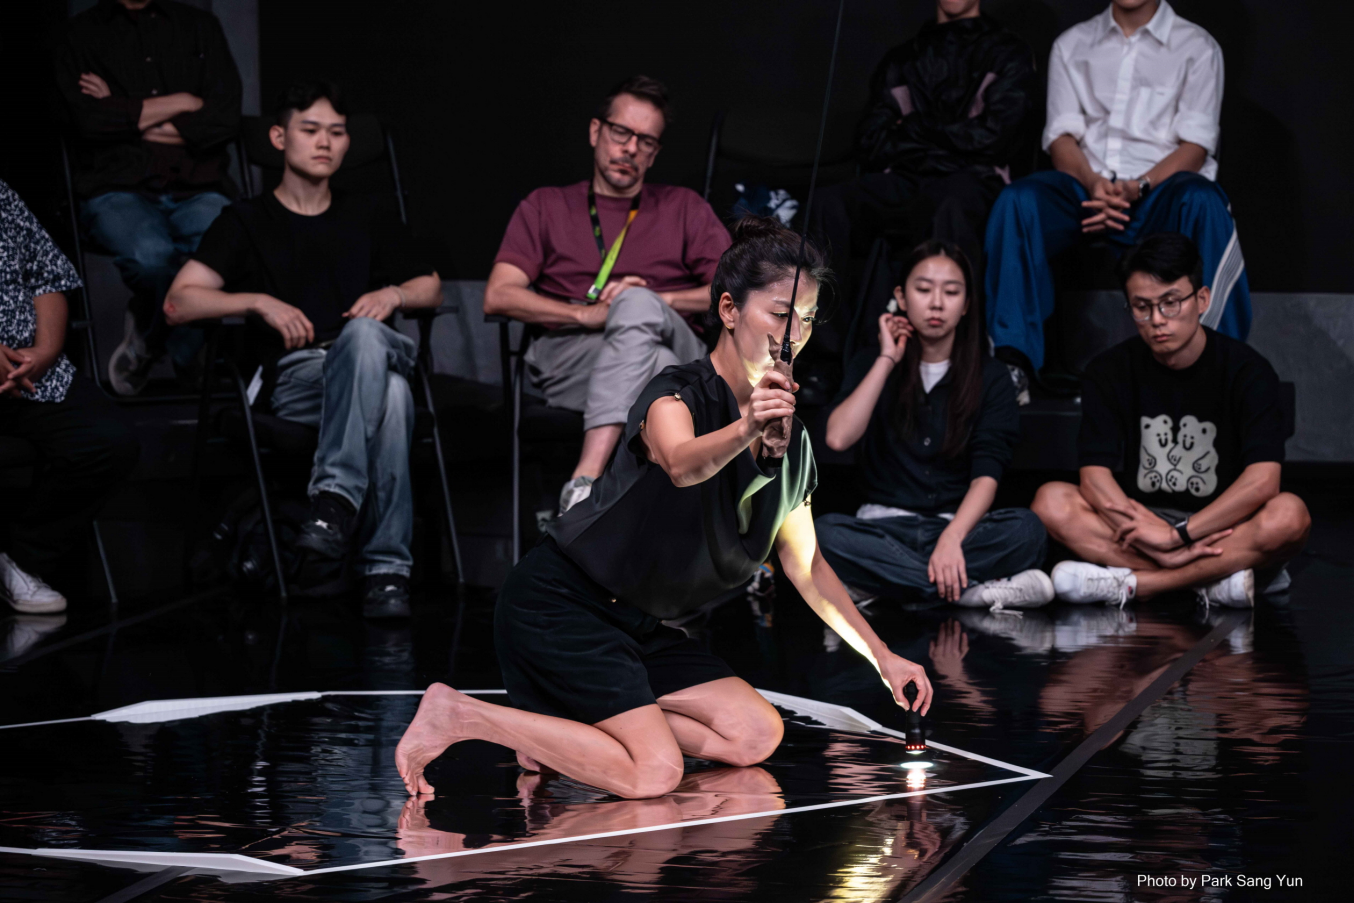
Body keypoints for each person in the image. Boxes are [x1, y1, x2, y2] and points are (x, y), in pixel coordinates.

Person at [395, 218, 933, 799]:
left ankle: (558, 731)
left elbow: (806, 566)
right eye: (781, 314)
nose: (794, 335)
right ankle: (461, 715)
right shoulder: (674, 395)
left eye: (807, 318)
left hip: (637, 627)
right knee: (654, 772)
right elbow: (681, 463)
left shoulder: (792, 441)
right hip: (561, 609)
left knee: (756, 734)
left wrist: (883, 658)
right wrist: (746, 427)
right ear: (729, 310)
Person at [164, 81, 441, 619]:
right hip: (298, 380)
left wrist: (394, 294)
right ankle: (386, 572)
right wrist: (257, 301)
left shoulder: (369, 213)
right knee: (394, 396)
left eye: (336, 132)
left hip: (369, 352)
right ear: (278, 137)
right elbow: (179, 303)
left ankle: (332, 503)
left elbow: (430, 287)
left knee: (364, 337)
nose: (325, 142)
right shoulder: (245, 220)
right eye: (310, 130)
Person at [484, 75, 732, 515]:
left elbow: (736, 294)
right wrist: (586, 315)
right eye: (621, 133)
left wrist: (657, 302)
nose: (631, 148)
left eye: (646, 141)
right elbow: (499, 296)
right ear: (596, 131)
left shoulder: (684, 207)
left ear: (654, 152)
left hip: (676, 343)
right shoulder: (546, 205)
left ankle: (584, 481)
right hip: (574, 358)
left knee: (639, 307)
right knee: (658, 372)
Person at [984, 0, 1251, 392]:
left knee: (1204, 200)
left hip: (1158, 192)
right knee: (1017, 202)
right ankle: (1014, 365)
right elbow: (1061, 138)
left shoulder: (1197, 46)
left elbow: (1195, 147)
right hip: (1087, 192)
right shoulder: (1072, 44)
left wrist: (1139, 186)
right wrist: (1093, 183)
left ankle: (1219, 362)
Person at [1031, 233, 1309, 608]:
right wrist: (1150, 536)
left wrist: (1178, 535)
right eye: (1142, 307)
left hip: (1222, 524)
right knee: (1051, 501)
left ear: (1202, 300)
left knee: (1289, 516)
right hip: (1142, 523)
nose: (1157, 320)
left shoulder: (1248, 372)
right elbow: (1094, 477)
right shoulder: (1109, 371)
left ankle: (1142, 584)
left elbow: (1263, 481)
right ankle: (1212, 580)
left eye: (1170, 303)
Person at [816, 241, 1051, 611]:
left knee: (1027, 530)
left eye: (952, 292)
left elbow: (986, 475)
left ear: (967, 303)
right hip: (883, 530)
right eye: (924, 290)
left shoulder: (991, 377)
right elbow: (838, 437)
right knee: (825, 534)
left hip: (959, 529)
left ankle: (889, 587)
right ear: (901, 297)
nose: (937, 303)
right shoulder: (871, 363)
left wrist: (952, 539)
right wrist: (887, 359)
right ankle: (966, 592)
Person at [54, 0, 242, 395]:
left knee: (231, 250)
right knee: (152, 258)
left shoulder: (200, 26)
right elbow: (88, 123)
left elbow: (223, 119)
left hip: (198, 185)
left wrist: (123, 112)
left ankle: (148, 334)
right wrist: (185, 102)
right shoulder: (81, 33)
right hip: (117, 185)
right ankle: (186, 350)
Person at [812, 0, 1035, 275]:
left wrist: (911, 127)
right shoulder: (902, 59)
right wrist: (949, 140)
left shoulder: (1008, 53)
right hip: (907, 177)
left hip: (974, 179)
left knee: (950, 203)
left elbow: (993, 137)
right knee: (828, 202)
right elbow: (871, 142)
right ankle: (818, 304)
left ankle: (951, 302)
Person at [0, 181, 139, 613]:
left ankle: (20, 561)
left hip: (29, 372)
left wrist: (44, 352)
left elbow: (47, 277)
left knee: (107, 441)